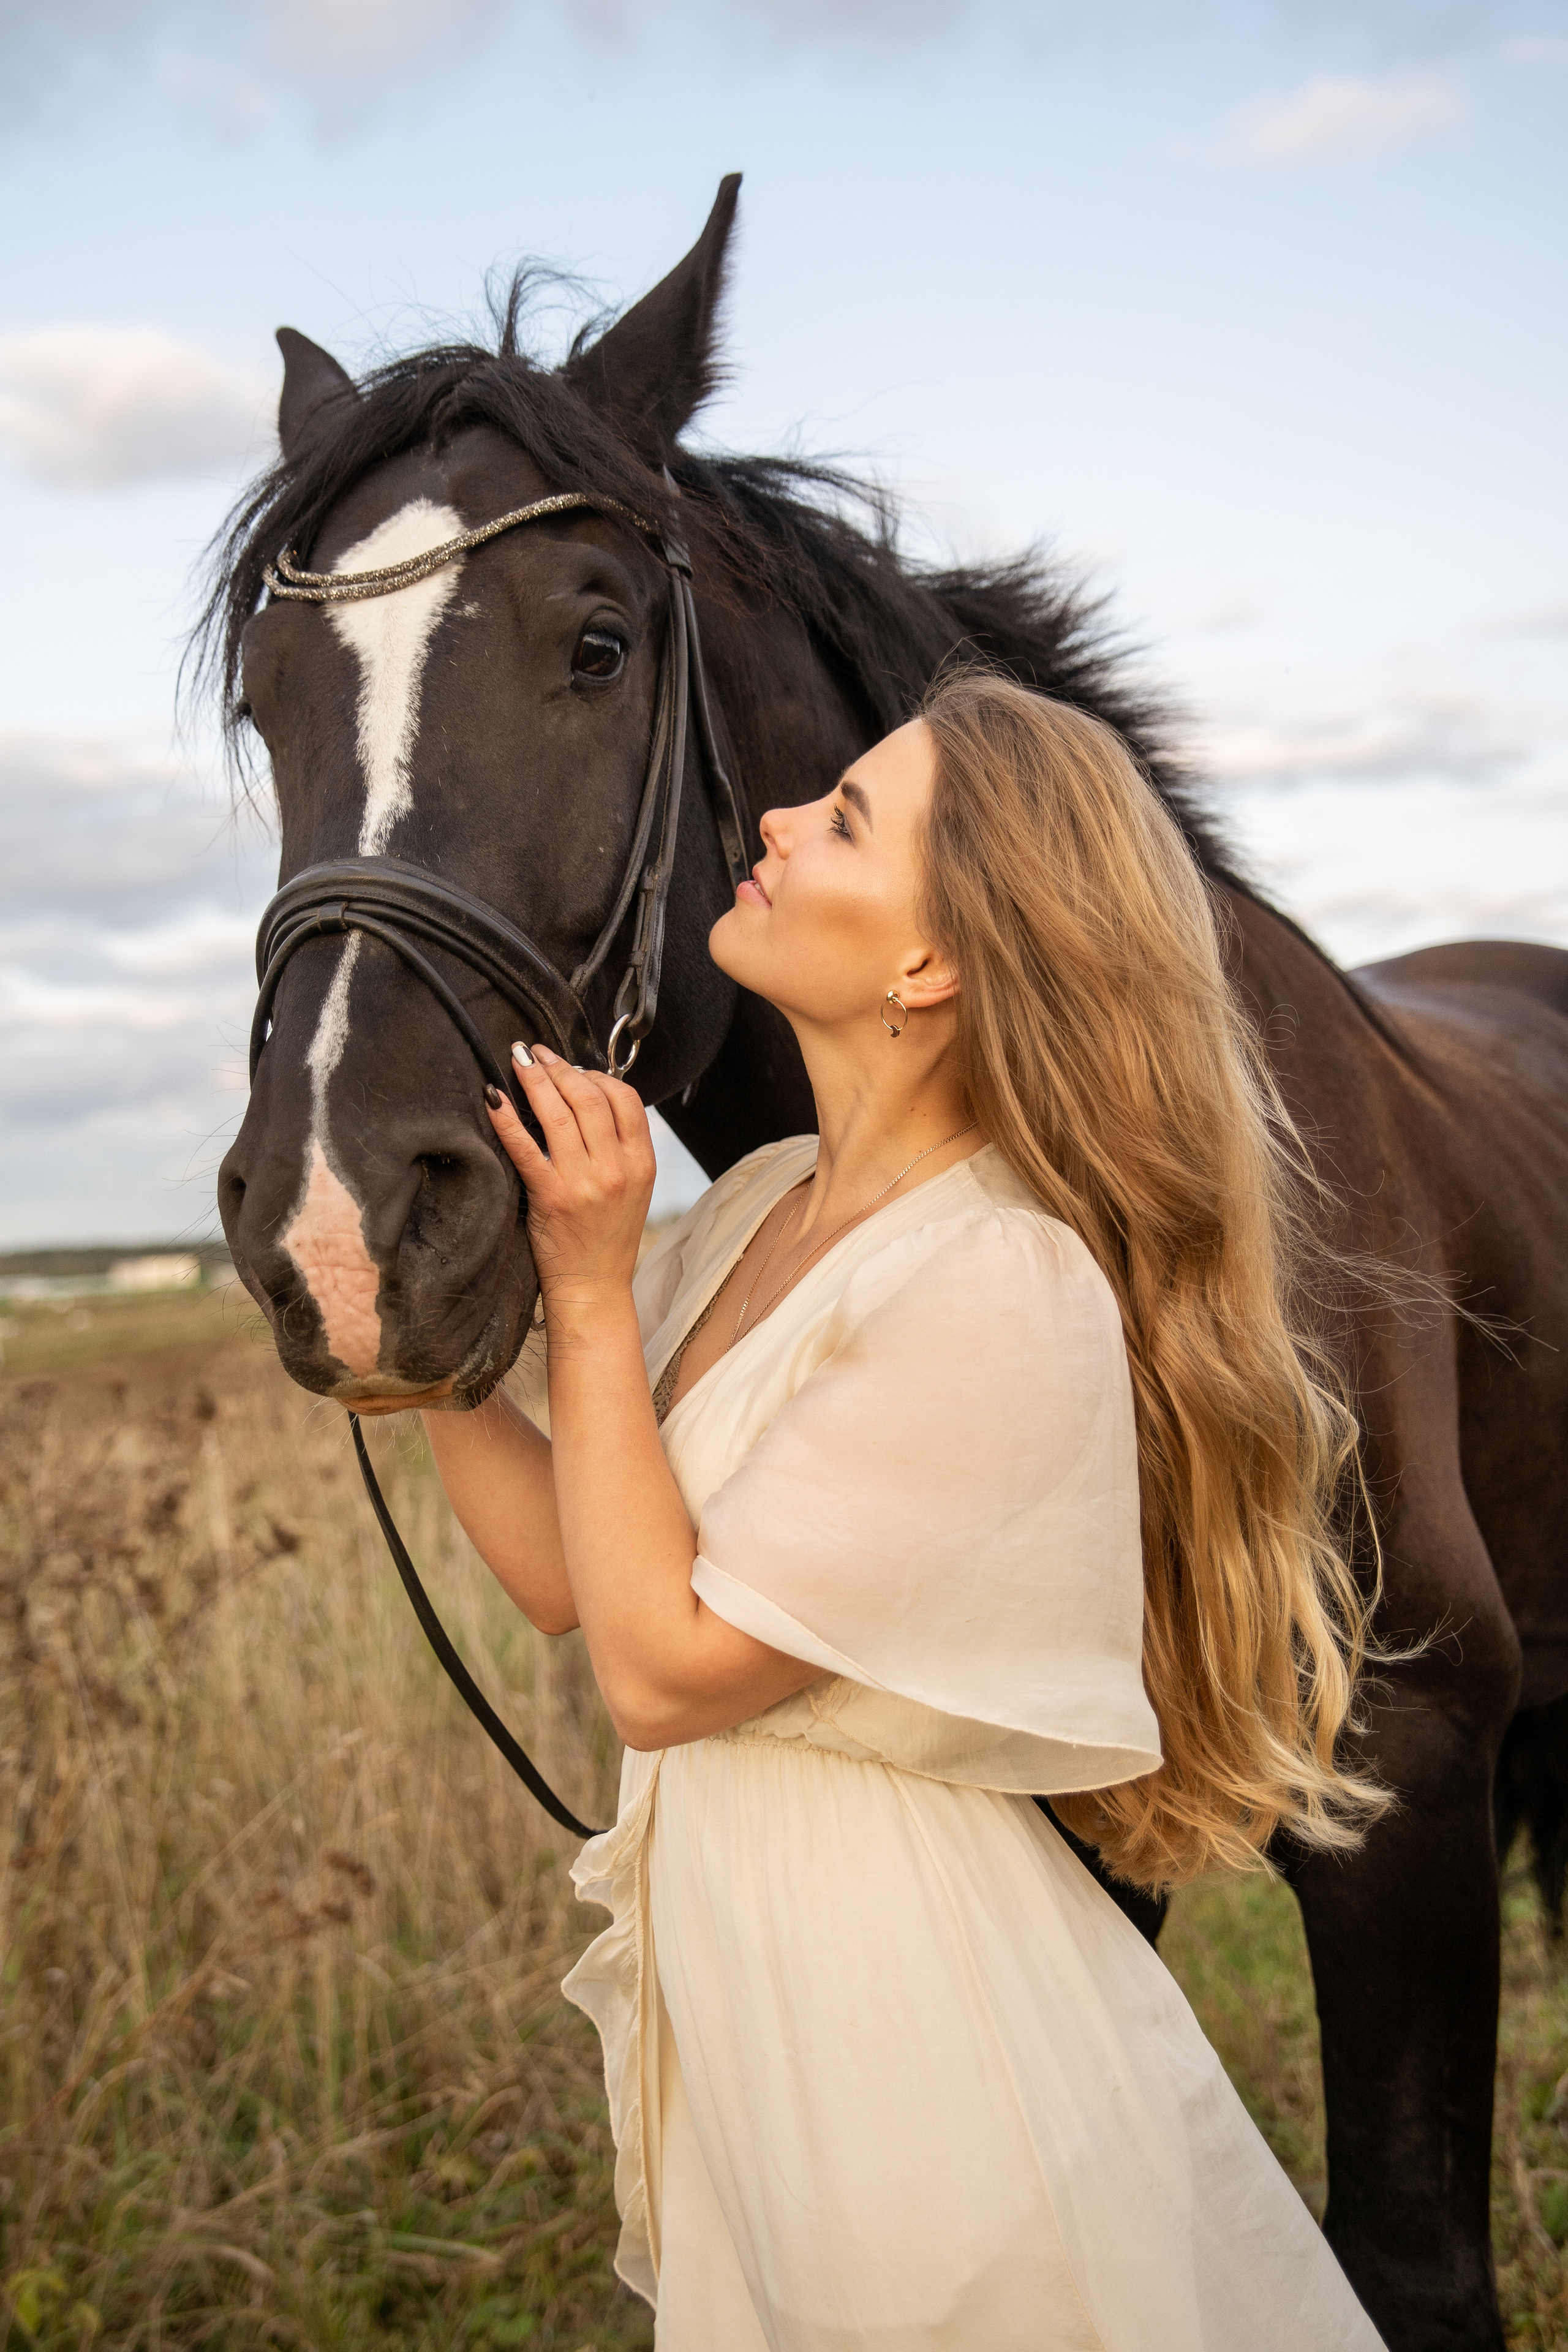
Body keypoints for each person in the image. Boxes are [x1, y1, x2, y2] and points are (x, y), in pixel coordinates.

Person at [423, 671, 1389, 2350]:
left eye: (847, 815)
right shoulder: (767, 1208)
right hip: (758, 2017)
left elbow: (661, 1671)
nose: (781, 821)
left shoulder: (1002, 1279)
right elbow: (573, 1573)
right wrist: (411, 1354)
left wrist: (585, 1284)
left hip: (907, 2037)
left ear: (932, 963)